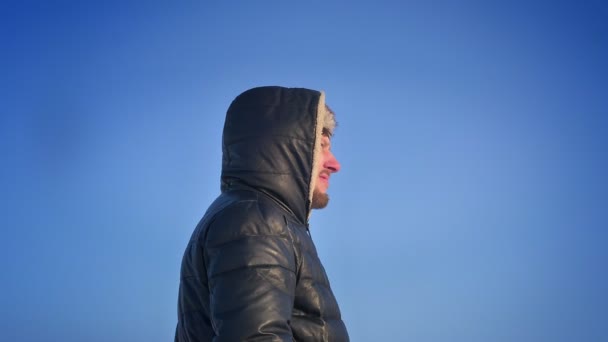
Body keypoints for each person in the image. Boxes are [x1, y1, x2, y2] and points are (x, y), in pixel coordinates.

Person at [175, 86, 350, 341]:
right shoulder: (257, 224)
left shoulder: (258, 217)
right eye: (322, 146)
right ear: (286, 147)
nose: (335, 164)